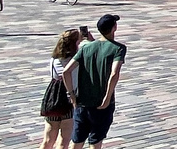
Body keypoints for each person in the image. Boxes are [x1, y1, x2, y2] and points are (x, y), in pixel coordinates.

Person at [72, 13, 126, 147]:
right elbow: (114, 73)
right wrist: (107, 98)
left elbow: (67, 70)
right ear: (115, 27)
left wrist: (71, 95)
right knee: (95, 142)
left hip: (82, 102)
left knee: (77, 142)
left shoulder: (86, 47)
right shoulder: (118, 48)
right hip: (101, 103)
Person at [41, 28, 84, 149]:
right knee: (64, 141)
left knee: (48, 140)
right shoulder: (76, 60)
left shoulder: (53, 59)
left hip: (52, 99)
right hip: (69, 99)